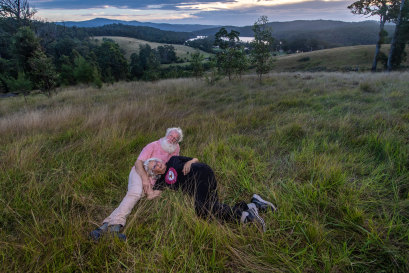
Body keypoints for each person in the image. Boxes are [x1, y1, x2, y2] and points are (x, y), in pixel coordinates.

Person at [90, 127, 184, 241]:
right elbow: (138, 162)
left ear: (178, 141)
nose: (172, 139)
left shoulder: (176, 149)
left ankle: (102, 228)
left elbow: (173, 166)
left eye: (176, 138)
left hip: (154, 177)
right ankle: (115, 227)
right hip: (139, 171)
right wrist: (145, 179)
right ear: (166, 135)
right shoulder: (153, 145)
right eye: (171, 136)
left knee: (140, 195)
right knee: (135, 193)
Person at [144, 156, 277, 232]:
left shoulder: (172, 160)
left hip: (201, 173)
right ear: (153, 173)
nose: (157, 165)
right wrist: (144, 180)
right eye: (153, 167)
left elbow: (195, 159)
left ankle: (246, 216)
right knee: (209, 212)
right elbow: (151, 195)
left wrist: (189, 162)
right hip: (198, 189)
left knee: (200, 208)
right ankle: (253, 204)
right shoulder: (161, 181)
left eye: (156, 161)